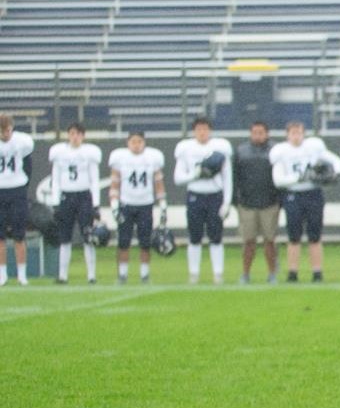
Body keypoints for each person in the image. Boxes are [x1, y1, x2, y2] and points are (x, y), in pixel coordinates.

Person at [270, 120, 340, 282]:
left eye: (299, 132)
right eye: (293, 133)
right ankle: (292, 272)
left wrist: (333, 174)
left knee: (315, 236)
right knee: (294, 237)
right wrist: (298, 177)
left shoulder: (312, 148)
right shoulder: (282, 152)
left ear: (304, 133)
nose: (296, 136)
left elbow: (337, 162)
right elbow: (278, 180)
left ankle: (317, 272)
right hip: (293, 195)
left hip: (313, 194)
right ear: (287, 135)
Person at [173, 117, 232, 284]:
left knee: (216, 236)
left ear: (210, 130)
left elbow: (228, 177)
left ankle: (218, 273)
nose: (202, 132)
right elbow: (178, 178)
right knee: (194, 236)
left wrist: (227, 202)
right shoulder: (185, 149)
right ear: (194, 131)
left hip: (215, 195)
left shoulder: (220, 148)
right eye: (199, 129)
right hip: (195, 195)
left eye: (205, 129)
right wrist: (196, 174)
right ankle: (194, 273)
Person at [47, 123, 104, 284]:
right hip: (66, 196)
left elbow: (94, 180)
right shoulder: (59, 153)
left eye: (78, 134)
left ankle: (91, 275)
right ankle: (63, 275)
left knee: (88, 236)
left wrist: (96, 204)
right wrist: (56, 202)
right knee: (64, 238)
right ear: (68, 134)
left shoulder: (89, 153)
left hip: (84, 197)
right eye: (72, 133)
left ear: (83, 136)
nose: (75, 137)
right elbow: (56, 179)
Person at [107, 130, 165, 284]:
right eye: (133, 141)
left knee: (145, 242)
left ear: (144, 143)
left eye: (139, 141)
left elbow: (159, 184)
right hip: (126, 204)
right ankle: (122, 275)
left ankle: (145, 275)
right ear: (128, 143)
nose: (136, 145)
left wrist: (163, 205)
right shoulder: (120, 159)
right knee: (123, 242)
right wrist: (114, 205)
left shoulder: (152, 158)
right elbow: (114, 184)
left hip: (145, 204)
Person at [233, 121, 282, 283]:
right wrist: (237, 200)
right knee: (248, 241)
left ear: (267, 133)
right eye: (255, 132)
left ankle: (272, 273)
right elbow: (235, 177)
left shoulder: (276, 151)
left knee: (270, 241)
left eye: (261, 132)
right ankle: (245, 273)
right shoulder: (241, 151)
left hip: (269, 203)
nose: (258, 135)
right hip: (247, 204)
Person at [0, 114, 31, 285]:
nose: (6, 134)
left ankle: (21, 274)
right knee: (0, 236)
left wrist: (24, 185)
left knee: (19, 235)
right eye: (3, 131)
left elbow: (28, 164)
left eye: (8, 130)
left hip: (17, 189)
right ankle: (2, 274)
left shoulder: (22, 142)